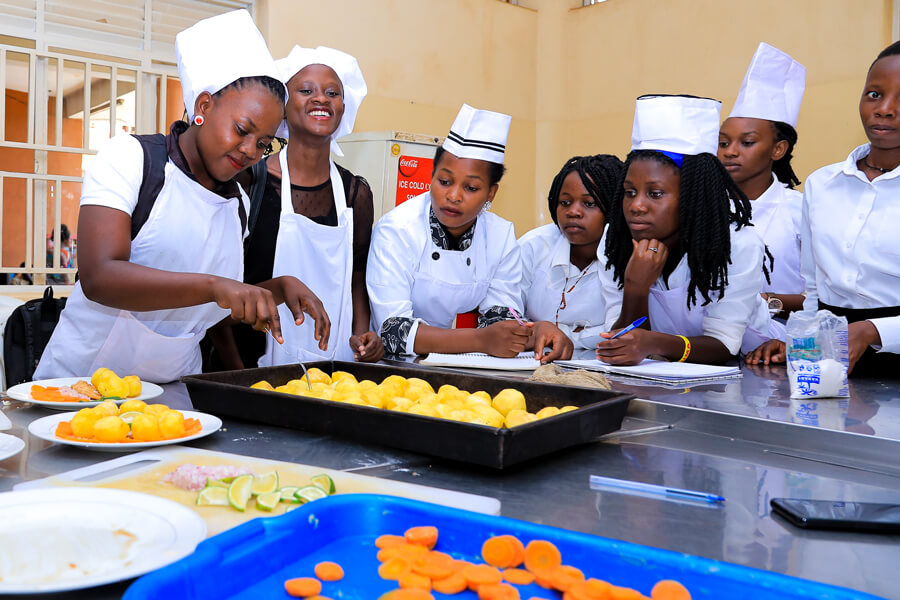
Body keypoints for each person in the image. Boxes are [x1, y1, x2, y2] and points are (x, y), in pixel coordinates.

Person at [33, 10, 328, 383]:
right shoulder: (133, 158)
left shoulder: (236, 204)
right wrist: (215, 286)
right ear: (203, 107)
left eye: (264, 143)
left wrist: (275, 289)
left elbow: (206, 310)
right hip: (80, 385)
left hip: (172, 393)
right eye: (242, 129)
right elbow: (99, 276)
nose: (250, 150)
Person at [218, 45, 382, 368]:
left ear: (344, 107)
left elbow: (357, 278)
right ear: (283, 106)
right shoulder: (250, 181)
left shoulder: (355, 194)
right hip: (250, 366)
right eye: (306, 90)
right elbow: (222, 288)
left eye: (332, 93)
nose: (321, 99)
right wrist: (237, 376)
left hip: (334, 370)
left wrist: (362, 335)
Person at [746, 41, 900, 376]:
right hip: (832, 360)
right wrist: (799, 342)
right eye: (874, 94)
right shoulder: (822, 184)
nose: (885, 109)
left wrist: (873, 330)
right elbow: (816, 291)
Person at [596, 95, 782, 366]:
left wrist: (653, 343)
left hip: (755, 367)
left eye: (655, 194)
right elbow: (621, 343)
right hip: (666, 371)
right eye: (629, 192)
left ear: (693, 197)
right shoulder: (616, 241)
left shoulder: (737, 243)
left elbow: (725, 347)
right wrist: (636, 288)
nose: (636, 206)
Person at [368, 104, 552, 359]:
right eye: (444, 181)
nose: (453, 196)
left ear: (491, 193)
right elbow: (392, 332)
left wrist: (524, 332)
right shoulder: (397, 230)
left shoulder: (500, 236)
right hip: (399, 366)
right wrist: (480, 340)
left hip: (469, 363)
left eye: (471, 188)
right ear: (431, 177)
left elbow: (502, 319)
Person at [719, 43, 806, 318]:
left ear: (778, 149)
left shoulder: (801, 210)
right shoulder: (705, 208)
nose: (730, 151)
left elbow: (825, 297)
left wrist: (767, 302)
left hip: (786, 337)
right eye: (723, 142)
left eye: (747, 142)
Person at [518, 155, 623, 355]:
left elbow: (619, 333)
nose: (573, 212)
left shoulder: (626, 258)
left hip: (599, 367)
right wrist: (537, 329)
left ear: (614, 207)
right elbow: (505, 315)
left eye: (589, 203)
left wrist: (562, 333)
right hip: (530, 363)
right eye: (565, 202)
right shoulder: (533, 245)